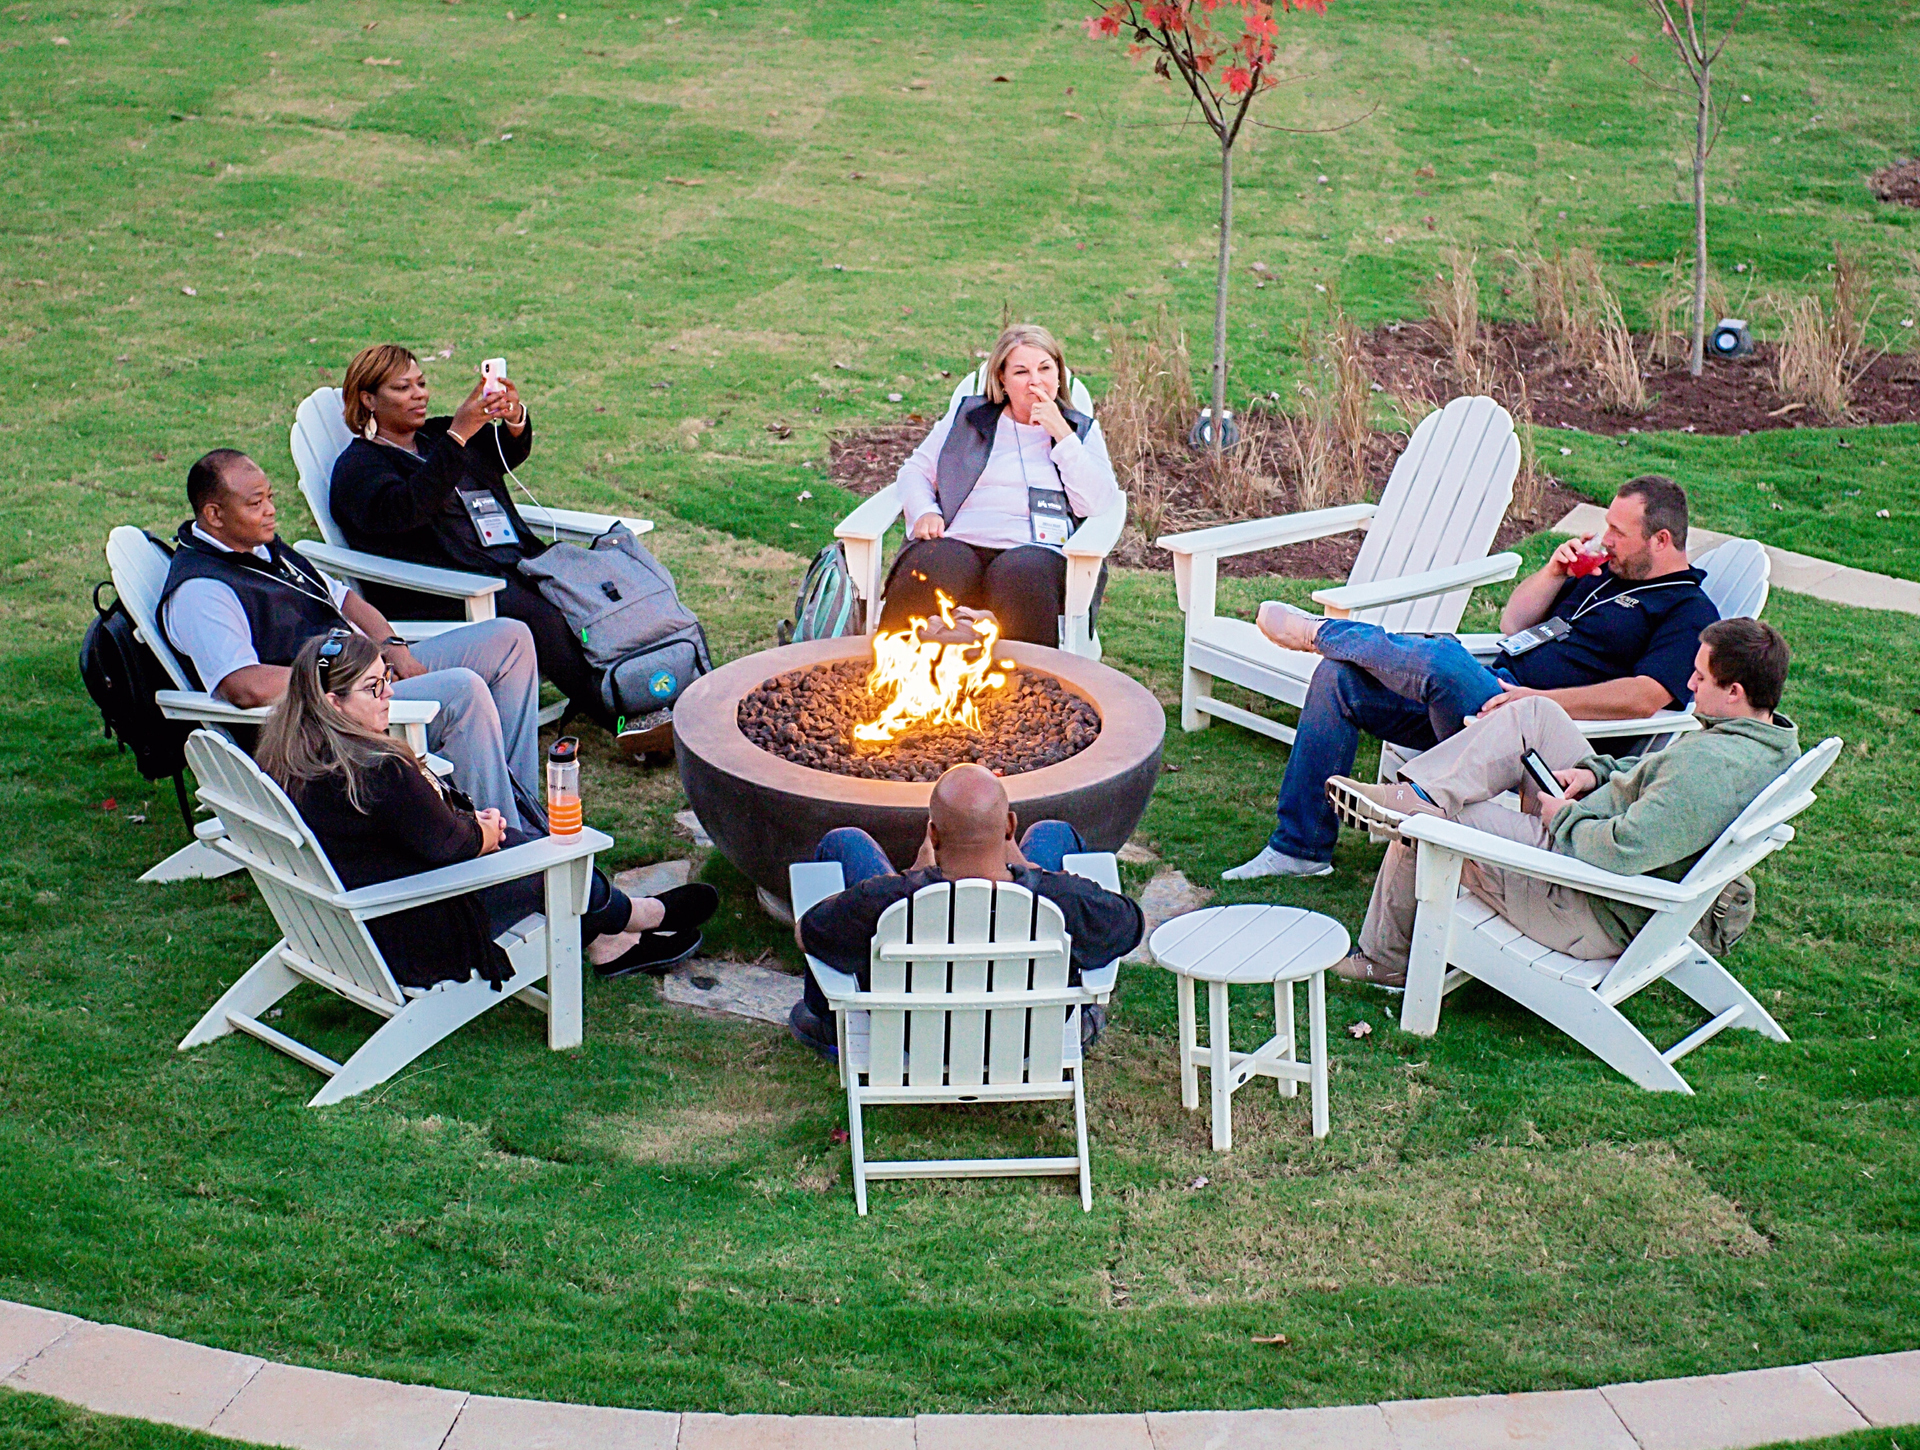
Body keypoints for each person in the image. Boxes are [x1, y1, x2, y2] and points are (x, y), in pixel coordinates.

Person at [1225, 474, 1722, 880]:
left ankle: (1319, 631)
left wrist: (1535, 700)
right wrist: (1553, 572)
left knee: (1442, 655)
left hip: (1533, 739)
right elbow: (1513, 625)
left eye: (1618, 531)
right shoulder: (1605, 575)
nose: (1605, 539)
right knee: (1338, 680)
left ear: (1661, 539)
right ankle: (1300, 849)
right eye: (1605, 526)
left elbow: (1645, 697)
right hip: (1483, 706)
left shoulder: (1687, 609)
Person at [1321, 618, 1798, 987]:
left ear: (1733, 692)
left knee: (1441, 821)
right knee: (1536, 714)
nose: (1689, 686)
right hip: (1593, 831)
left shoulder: (1711, 768)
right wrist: (1594, 772)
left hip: (1584, 894)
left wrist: (1562, 817)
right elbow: (1654, 785)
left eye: (1699, 677)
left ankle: (1386, 960)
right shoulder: (1762, 742)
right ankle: (1411, 796)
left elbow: (1624, 850)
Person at [256, 633, 717, 987]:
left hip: (358, 915)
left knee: (526, 847)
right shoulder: (374, 769)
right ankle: (638, 916)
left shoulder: (295, 757)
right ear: (332, 702)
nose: (388, 695)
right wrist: (484, 834)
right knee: (543, 861)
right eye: (372, 688)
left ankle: (611, 938)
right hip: (414, 929)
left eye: (387, 680)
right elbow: (450, 845)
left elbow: (413, 832)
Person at [160, 448, 544, 830]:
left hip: (367, 676)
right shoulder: (203, 589)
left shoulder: (263, 548)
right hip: (323, 720)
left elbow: (346, 600)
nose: (271, 510)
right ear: (214, 514)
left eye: (270, 497)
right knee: (462, 690)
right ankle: (504, 838)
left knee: (510, 639)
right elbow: (243, 685)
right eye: (255, 503)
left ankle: (517, 807)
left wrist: (392, 648)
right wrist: (348, 682)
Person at [325, 344, 670, 756]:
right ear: (368, 399)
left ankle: (660, 681)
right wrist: (458, 434)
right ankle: (622, 716)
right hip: (444, 590)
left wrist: (513, 420)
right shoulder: (358, 469)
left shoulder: (434, 435)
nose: (419, 394)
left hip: (507, 561)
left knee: (604, 584)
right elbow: (408, 509)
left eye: (421, 383)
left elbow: (505, 453)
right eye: (403, 387)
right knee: (537, 611)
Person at [787, 763, 1144, 1055]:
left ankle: (828, 1027)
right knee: (1053, 833)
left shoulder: (883, 903)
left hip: (914, 1039)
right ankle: (1081, 1019)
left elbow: (806, 934)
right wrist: (1033, 873)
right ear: (1009, 826)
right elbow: (1130, 925)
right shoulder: (1062, 900)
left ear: (934, 835)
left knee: (844, 841)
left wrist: (913, 876)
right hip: (1025, 1041)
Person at [881, 323, 1121, 646]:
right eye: (1021, 372)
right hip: (958, 539)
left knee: (1021, 578)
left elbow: (1096, 503)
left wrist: (1061, 435)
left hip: (1036, 551)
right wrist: (924, 510)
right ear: (1002, 381)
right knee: (932, 568)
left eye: (1045, 368)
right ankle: (894, 684)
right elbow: (915, 471)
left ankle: (1027, 693)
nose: (1035, 380)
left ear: (1059, 374)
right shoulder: (967, 420)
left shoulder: (1080, 431)